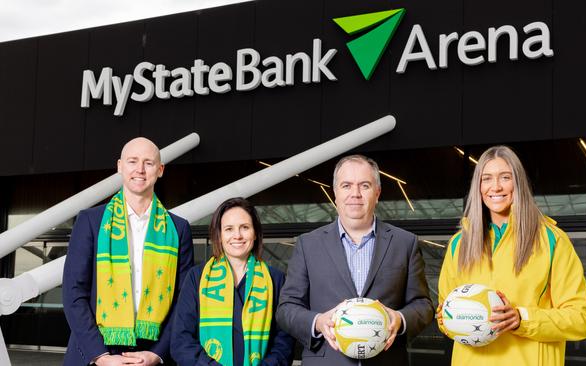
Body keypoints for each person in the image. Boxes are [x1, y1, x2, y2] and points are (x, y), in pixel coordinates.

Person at [437, 145, 586, 365]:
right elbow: (445, 313)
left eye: (505, 177)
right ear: (478, 186)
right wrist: (448, 319)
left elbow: (582, 319)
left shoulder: (552, 240)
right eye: (487, 178)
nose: (496, 187)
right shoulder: (459, 244)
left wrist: (522, 318)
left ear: (518, 183)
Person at [276, 154, 433, 365]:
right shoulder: (308, 244)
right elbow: (286, 308)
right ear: (335, 193)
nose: (355, 194)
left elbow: (423, 305)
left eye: (364, 185)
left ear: (377, 193)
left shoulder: (405, 243)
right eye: (346, 185)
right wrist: (318, 322)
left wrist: (399, 319)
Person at [63, 137, 194, 366]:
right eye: (132, 161)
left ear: (160, 170)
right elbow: (73, 293)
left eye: (149, 163)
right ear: (120, 166)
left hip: (152, 352)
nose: (140, 170)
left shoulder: (178, 229)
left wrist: (158, 353)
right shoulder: (90, 222)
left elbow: (183, 301)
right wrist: (101, 356)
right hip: (96, 353)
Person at [171, 197, 295, 366]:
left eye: (245, 227)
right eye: (229, 229)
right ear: (219, 236)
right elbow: (181, 341)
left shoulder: (276, 279)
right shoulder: (196, 277)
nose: (237, 235)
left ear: (256, 233)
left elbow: (284, 342)